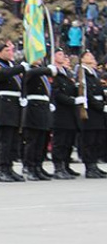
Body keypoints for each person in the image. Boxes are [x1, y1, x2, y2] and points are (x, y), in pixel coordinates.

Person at [0, 41, 27, 182]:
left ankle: (10, 167)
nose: (10, 53)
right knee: (5, 140)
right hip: (4, 105)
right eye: (7, 51)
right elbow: (2, 75)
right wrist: (20, 68)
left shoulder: (11, 66)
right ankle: (3, 169)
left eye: (11, 51)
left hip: (14, 106)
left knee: (12, 140)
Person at [21, 59, 57, 181]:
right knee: (33, 140)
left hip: (43, 107)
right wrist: (48, 70)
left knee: (42, 140)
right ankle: (30, 167)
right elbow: (31, 73)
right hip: (33, 108)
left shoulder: (41, 72)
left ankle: (38, 166)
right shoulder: (29, 70)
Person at [50, 50, 82, 179]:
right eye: (59, 54)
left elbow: (71, 90)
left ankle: (66, 165)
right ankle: (58, 167)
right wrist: (73, 100)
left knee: (68, 140)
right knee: (60, 141)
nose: (63, 57)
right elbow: (57, 94)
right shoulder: (54, 73)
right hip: (60, 112)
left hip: (70, 113)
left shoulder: (66, 73)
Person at [78, 50, 107, 178]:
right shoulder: (82, 73)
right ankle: (89, 166)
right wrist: (100, 105)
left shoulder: (93, 73)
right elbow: (86, 92)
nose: (92, 57)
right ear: (82, 60)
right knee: (89, 140)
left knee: (97, 140)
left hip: (99, 110)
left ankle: (94, 165)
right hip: (90, 110)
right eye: (88, 56)